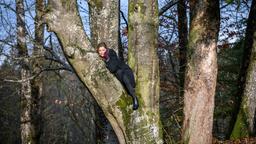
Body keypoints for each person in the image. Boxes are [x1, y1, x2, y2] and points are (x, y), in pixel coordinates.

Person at [97, 42, 139, 110]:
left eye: (103, 50)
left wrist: (107, 62)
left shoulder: (111, 53)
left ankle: (135, 98)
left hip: (124, 70)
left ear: (106, 49)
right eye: (100, 51)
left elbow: (113, 68)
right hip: (118, 73)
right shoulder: (100, 59)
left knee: (124, 77)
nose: (102, 52)